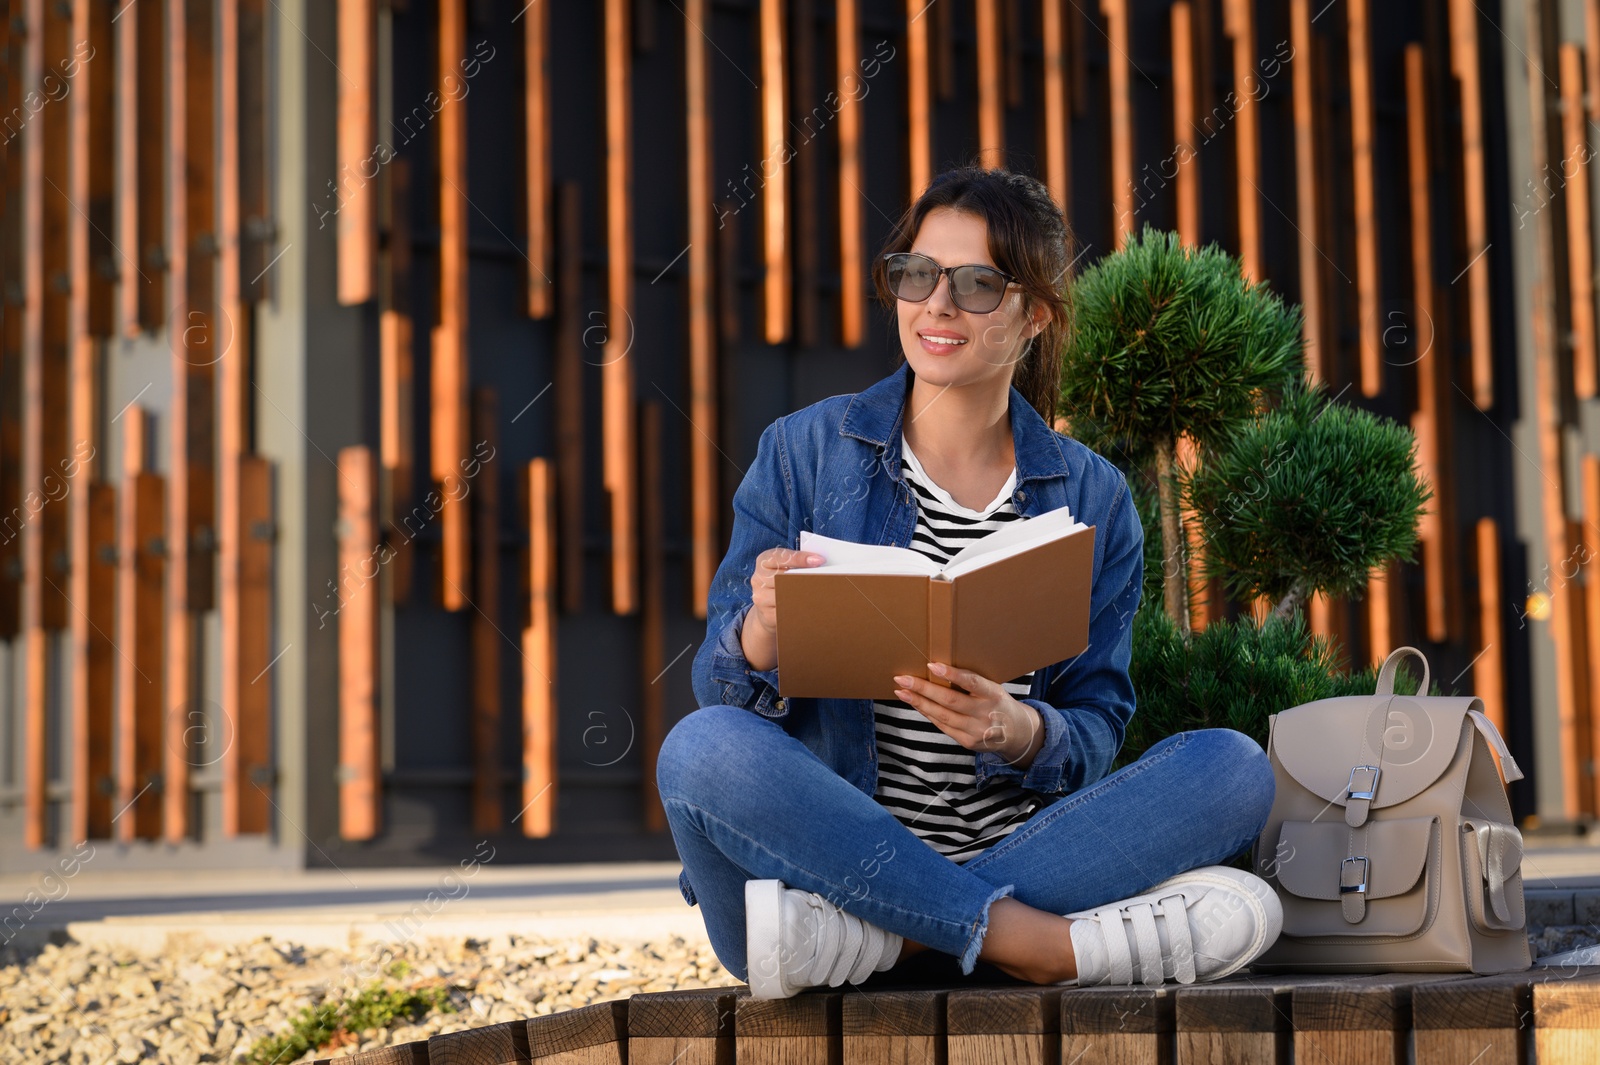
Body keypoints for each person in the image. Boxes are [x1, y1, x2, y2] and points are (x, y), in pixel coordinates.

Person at [656, 165, 1281, 998]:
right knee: (698, 750)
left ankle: (898, 939)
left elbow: (1097, 722)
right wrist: (763, 629)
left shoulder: (1093, 497)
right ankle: (1037, 944)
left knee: (1235, 767)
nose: (936, 305)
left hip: (937, 887)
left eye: (978, 283)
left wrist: (1018, 728)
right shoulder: (803, 452)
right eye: (917, 274)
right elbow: (720, 698)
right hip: (818, 872)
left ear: (1036, 315)